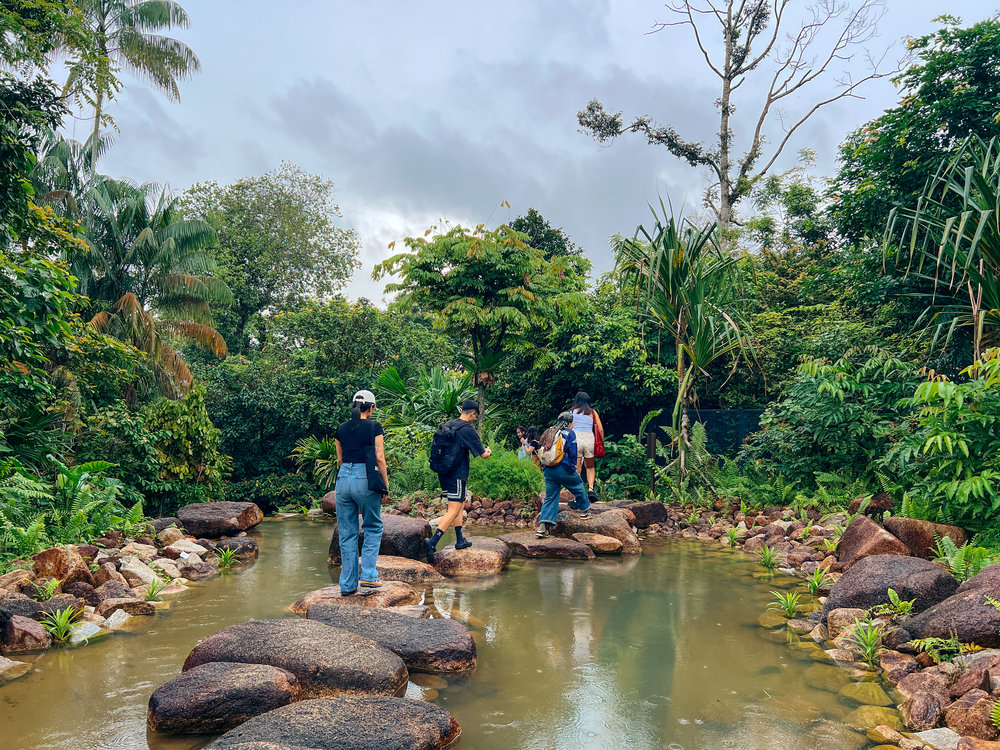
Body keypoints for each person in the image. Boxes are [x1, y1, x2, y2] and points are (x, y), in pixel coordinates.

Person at [333, 389, 389, 596]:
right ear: (372, 407)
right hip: (365, 478)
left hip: (343, 479)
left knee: (347, 534)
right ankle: (369, 576)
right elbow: (379, 457)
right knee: (373, 527)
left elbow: (339, 460)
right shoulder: (375, 426)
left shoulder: (341, 428)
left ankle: (347, 585)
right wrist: (385, 484)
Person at [425, 399, 492, 560]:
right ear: (473, 413)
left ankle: (460, 540)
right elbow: (483, 455)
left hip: (444, 472)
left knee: (459, 503)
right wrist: (488, 451)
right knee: (454, 510)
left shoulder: (450, 424)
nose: (475, 419)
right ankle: (433, 542)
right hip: (457, 474)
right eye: (476, 416)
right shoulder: (467, 429)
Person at [535, 411, 590, 538]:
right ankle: (584, 511)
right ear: (569, 422)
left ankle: (542, 526)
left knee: (550, 497)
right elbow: (572, 451)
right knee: (578, 486)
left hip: (548, 469)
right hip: (563, 468)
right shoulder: (569, 432)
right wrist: (572, 468)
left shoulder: (549, 431)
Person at [571, 391, 605, 498]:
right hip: (589, 439)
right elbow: (600, 429)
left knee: (577, 468)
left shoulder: (572, 412)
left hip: (577, 439)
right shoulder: (593, 412)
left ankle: (578, 493)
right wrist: (601, 443)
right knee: (590, 467)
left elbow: (570, 428)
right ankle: (590, 490)